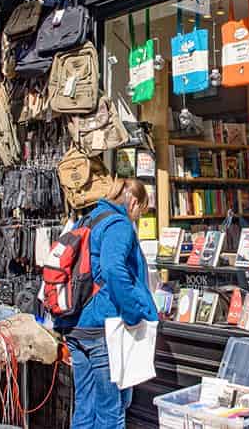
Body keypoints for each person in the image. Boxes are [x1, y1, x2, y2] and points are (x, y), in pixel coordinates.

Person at [59, 178, 158, 429]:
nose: (137, 218)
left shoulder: (88, 219)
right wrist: (133, 313)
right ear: (132, 202)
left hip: (77, 325)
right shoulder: (119, 225)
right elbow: (113, 270)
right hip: (104, 328)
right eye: (140, 211)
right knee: (111, 412)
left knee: (85, 408)